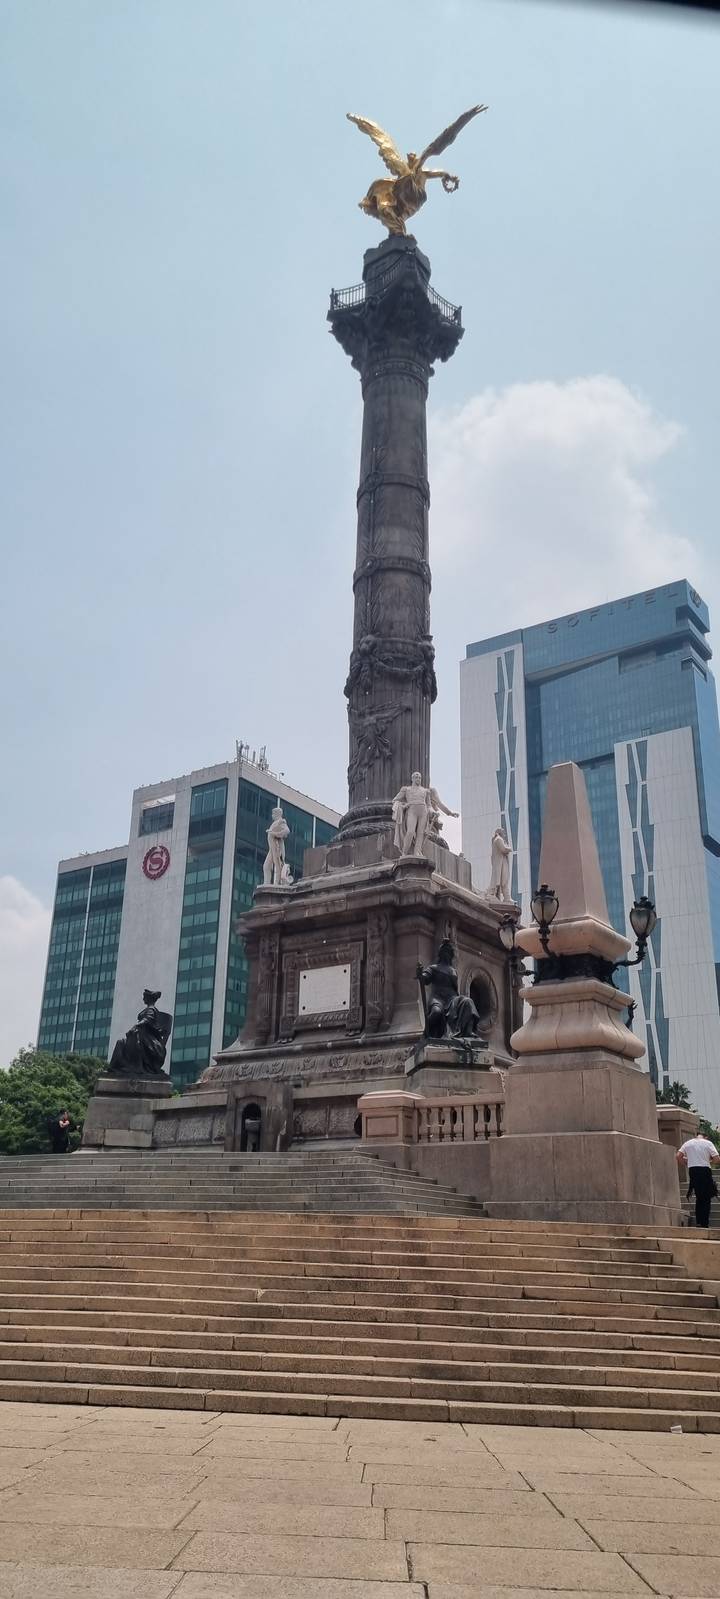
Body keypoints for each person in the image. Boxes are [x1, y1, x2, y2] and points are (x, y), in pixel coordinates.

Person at [677, 1133, 720, 1229]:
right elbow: (717, 1159)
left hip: (693, 1171)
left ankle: (699, 1222)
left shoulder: (688, 1143)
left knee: (699, 1196)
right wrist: (709, 1161)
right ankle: (704, 1222)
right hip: (705, 1170)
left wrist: (687, 1162)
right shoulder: (708, 1143)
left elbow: (678, 1156)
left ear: (696, 1136)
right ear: (706, 1137)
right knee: (706, 1197)